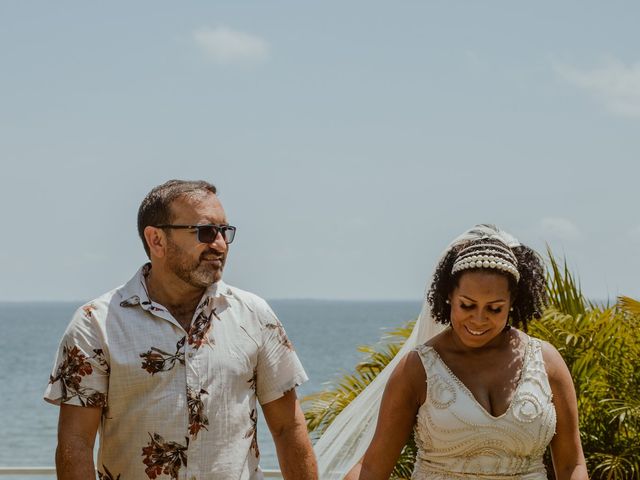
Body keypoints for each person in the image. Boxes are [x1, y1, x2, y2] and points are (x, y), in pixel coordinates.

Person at [44, 179, 318, 480]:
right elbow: (76, 444)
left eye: (224, 232)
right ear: (156, 240)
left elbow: (287, 427)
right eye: (205, 231)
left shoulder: (255, 315)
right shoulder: (95, 324)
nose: (220, 244)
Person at [315, 225, 587, 480]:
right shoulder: (418, 368)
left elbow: (571, 463)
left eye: (494, 309)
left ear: (513, 302)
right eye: (467, 305)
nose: (479, 320)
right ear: (448, 297)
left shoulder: (546, 361)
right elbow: (374, 467)